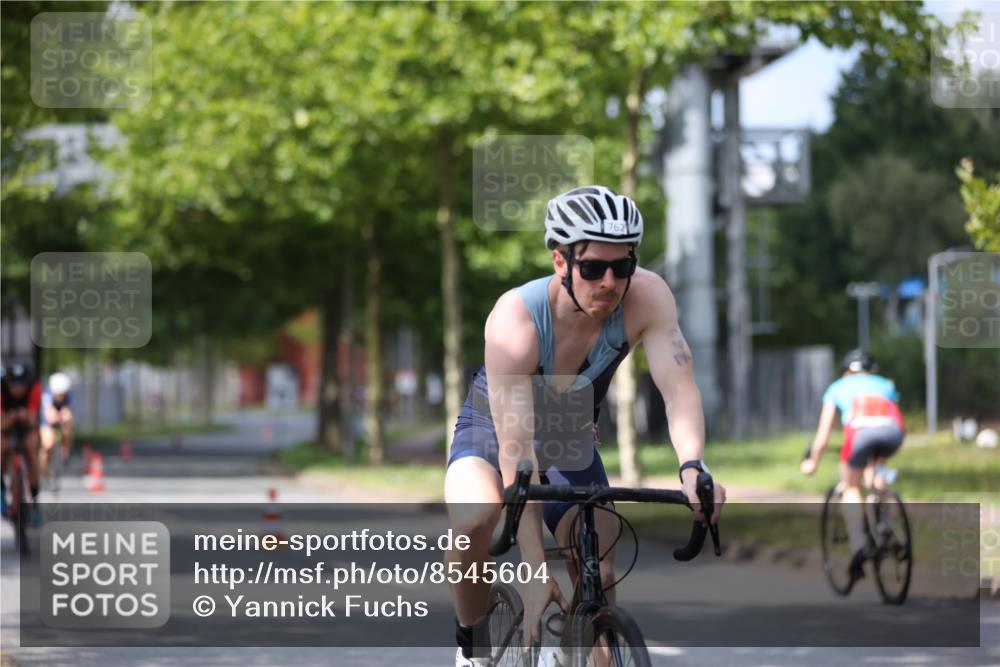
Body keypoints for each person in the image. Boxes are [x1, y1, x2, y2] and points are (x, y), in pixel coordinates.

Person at [444, 186, 726, 666]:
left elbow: (679, 390)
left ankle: (580, 650)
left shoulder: (649, 297)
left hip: (567, 429)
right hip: (494, 425)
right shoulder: (516, 320)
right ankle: (473, 648)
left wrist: (691, 465)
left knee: (601, 558)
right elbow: (517, 457)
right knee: (473, 521)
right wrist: (534, 573)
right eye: (594, 268)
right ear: (560, 262)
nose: (610, 282)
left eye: (623, 266)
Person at [801, 348, 905, 583]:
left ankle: (859, 544)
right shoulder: (885, 384)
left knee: (851, 487)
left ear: (846, 371)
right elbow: (887, 416)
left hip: (860, 433)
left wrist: (812, 462)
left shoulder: (837, 387)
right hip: (893, 432)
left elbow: (823, 436)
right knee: (876, 477)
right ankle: (887, 524)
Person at [1, 361, 43, 520]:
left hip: (27, 427)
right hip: (6, 426)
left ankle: (35, 500)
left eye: (22, 385)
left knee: (32, 451)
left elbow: (33, 419)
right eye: (14, 384)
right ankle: (2, 492)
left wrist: (25, 416)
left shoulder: (34, 388)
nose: (18, 389)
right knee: (2, 449)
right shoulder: (1, 389)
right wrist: (10, 418)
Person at [39, 372, 75, 479]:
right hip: (47, 422)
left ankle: (65, 450)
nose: (60, 396)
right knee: (47, 445)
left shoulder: (69, 396)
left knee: (68, 426)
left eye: (62, 394)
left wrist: (65, 417)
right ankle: (44, 471)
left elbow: (69, 412)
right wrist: (58, 416)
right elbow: (49, 415)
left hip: (61, 420)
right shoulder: (47, 395)